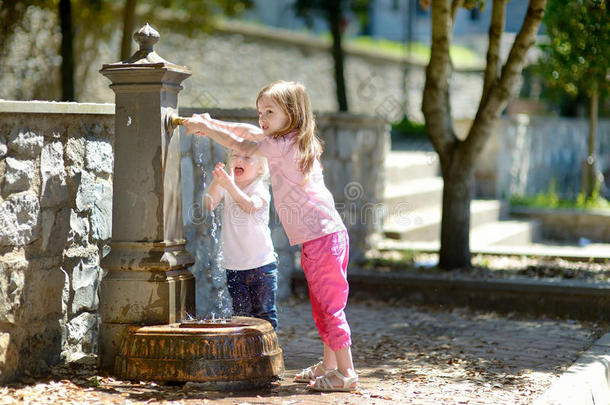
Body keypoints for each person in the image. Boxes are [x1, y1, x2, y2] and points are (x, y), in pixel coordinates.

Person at [183, 80, 358, 392]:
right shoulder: (295, 139)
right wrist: (212, 122)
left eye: (269, 111)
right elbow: (246, 131)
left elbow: (246, 144)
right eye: (259, 110)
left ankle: (345, 374)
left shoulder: (281, 146)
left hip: (321, 238)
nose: (261, 117)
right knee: (322, 306)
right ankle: (330, 365)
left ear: (291, 113)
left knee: (330, 308)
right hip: (327, 236)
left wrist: (207, 130)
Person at [204, 150, 279, 330]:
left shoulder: (259, 188)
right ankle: (246, 354)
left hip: (262, 265)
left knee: (264, 314)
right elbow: (209, 204)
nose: (239, 160)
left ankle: (269, 353)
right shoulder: (227, 185)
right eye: (235, 156)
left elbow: (250, 206)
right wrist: (216, 182)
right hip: (235, 266)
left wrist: (229, 186)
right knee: (241, 315)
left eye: (246, 157)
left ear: (260, 168)